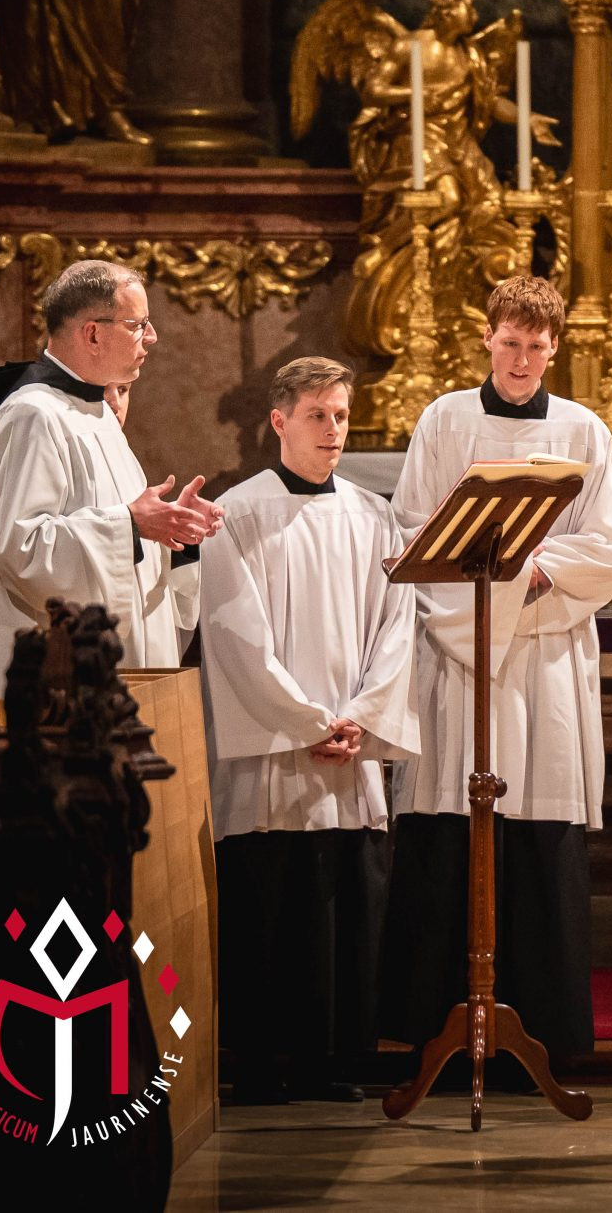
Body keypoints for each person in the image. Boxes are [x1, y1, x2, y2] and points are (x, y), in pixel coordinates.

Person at [378, 276, 612, 1073]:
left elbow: (606, 548)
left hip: (543, 659)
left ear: (556, 347)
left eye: (536, 346)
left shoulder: (583, 429)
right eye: (510, 342)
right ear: (487, 337)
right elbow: (412, 530)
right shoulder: (445, 419)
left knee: (538, 829)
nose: (521, 360)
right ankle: (434, 1035)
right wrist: (494, 589)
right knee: (450, 822)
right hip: (460, 660)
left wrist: (530, 574)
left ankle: (544, 1039)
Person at [199, 357, 419, 1103]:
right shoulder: (237, 514)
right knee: (274, 902)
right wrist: (303, 723)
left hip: (348, 747)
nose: (333, 429)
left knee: (341, 904)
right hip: (274, 755)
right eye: (318, 415)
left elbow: (398, 626)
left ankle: (331, 1059)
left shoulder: (373, 515)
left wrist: (361, 717)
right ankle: (262, 1063)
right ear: (279, 421)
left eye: (342, 415)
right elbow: (235, 636)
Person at [0, 260, 219, 711]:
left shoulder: (96, 416)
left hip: (118, 680)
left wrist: (174, 533)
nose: (152, 337)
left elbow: (125, 545)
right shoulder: (32, 414)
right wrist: (131, 525)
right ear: (93, 334)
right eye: (137, 324)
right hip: (58, 686)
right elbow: (20, 548)